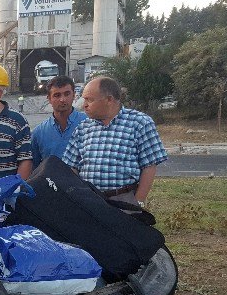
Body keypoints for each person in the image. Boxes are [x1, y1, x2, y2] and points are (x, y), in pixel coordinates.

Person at [62, 76, 167, 208]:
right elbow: (71, 166)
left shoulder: (140, 123)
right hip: (90, 200)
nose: (85, 105)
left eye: (90, 100)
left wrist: (138, 202)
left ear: (109, 99)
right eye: (84, 99)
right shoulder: (83, 127)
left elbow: (149, 166)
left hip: (124, 200)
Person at [30, 75, 87, 169]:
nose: (62, 99)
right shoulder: (39, 133)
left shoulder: (89, 124)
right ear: (49, 99)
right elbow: (34, 168)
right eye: (57, 95)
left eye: (67, 94)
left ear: (74, 95)